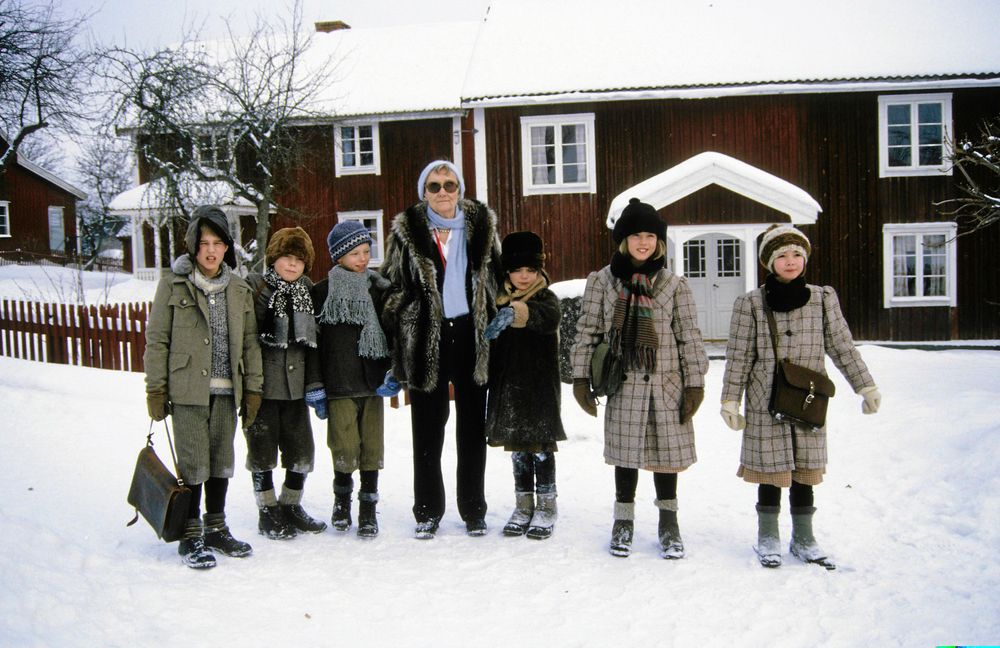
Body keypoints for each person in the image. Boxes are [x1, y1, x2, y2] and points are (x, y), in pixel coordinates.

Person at [720, 224, 881, 569]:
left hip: (809, 397)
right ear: (769, 262)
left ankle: (804, 538)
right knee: (770, 471)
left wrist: (864, 385)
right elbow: (739, 356)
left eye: (796, 254)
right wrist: (730, 399)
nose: (790, 261)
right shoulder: (750, 303)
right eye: (782, 255)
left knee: (805, 470)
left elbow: (842, 346)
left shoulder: (823, 298)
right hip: (766, 399)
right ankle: (768, 537)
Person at [571, 198, 708, 559]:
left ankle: (668, 522)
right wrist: (581, 379)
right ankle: (623, 521)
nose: (643, 242)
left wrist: (695, 383)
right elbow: (587, 332)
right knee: (626, 457)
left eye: (650, 235)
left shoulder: (674, 285)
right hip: (624, 383)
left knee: (666, 458)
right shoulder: (602, 281)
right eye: (636, 236)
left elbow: (689, 337)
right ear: (624, 240)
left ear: (659, 242)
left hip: (666, 385)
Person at [381, 159, 502, 539]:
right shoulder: (407, 232)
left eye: (450, 185)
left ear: (460, 189)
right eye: (434, 186)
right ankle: (427, 511)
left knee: (471, 429)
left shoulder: (481, 228)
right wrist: (408, 312)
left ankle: (474, 509)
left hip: (471, 334)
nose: (443, 192)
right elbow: (391, 284)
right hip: (426, 336)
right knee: (428, 429)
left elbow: (498, 279)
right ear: (424, 193)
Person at [144, 205, 263, 569]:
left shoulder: (240, 289)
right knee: (194, 463)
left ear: (227, 247)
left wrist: (254, 388)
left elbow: (250, 343)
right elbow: (157, 339)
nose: (210, 251)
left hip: (228, 390)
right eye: (203, 243)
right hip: (187, 390)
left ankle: (216, 527)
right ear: (193, 247)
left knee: (221, 462)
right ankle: (191, 534)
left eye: (217, 243)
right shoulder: (173, 283)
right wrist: (156, 389)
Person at [244, 227, 327, 541]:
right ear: (273, 258)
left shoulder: (309, 292)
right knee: (262, 451)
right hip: (263, 388)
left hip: (296, 388)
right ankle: (267, 510)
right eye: (286, 258)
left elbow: (315, 341)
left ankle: (291, 505)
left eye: (299, 260)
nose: (292, 265)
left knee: (301, 451)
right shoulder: (256, 287)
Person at [311, 220, 392, 538]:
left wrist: (392, 372)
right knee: (344, 447)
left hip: (372, 384)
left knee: (372, 448)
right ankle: (342, 502)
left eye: (366, 251)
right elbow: (314, 344)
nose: (362, 258)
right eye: (355, 253)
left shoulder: (379, 289)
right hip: (339, 383)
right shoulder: (322, 292)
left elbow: (390, 333)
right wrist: (315, 384)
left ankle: (368, 509)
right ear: (338, 256)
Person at [484, 231, 566, 540]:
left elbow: (548, 318)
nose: (523, 276)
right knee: (518, 449)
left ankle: (546, 506)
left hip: (539, 390)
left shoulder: (545, 298)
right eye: (517, 270)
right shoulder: (498, 299)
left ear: (539, 272)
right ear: (507, 271)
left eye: (530, 270)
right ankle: (523, 504)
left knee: (541, 449)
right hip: (510, 389)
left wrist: (518, 313)